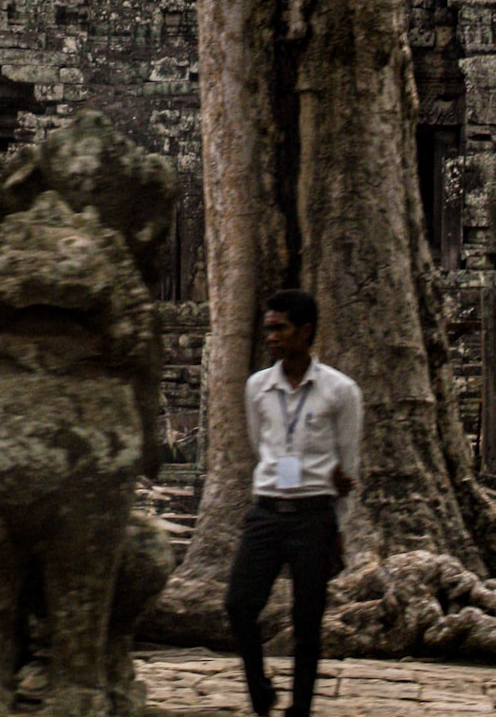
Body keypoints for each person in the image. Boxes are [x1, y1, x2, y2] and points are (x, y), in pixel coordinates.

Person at [225, 290, 362, 717]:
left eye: (280, 328)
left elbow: (347, 464)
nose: (271, 337)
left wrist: (340, 527)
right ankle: (259, 689)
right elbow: (258, 443)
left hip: (312, 514)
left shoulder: (340, 391)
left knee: (307, 620)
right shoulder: (257, 388)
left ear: (305, 332)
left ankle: (300, 708)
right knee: (238, 604)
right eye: (268, 328)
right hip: (266, 510)